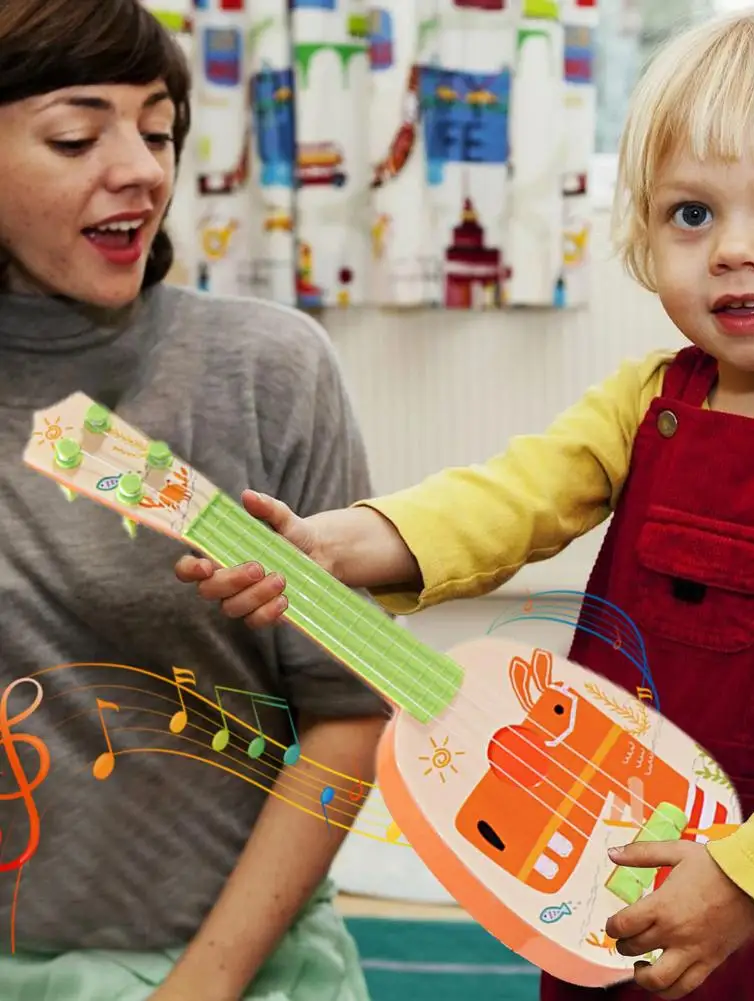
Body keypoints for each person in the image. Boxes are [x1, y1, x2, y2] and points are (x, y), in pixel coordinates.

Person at [177, 7, 754, 1001]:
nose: (731, 248)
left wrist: (748, 879)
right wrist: (346, 540)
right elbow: (509, 494)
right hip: (605, 847)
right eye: (689, 213)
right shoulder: (648, 400)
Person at [0, 1, 387, 998]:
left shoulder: (267, 365)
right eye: (78, 136)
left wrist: (201, 988)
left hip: (236, 972)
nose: (141, 168)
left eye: (159, 128)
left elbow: (350, 710)